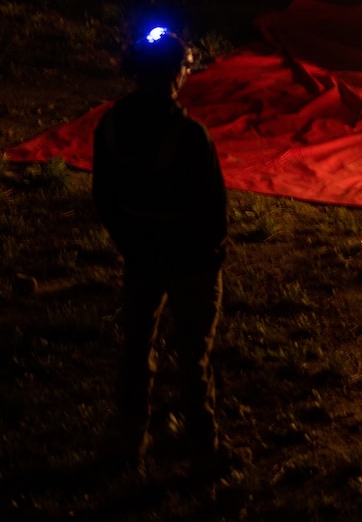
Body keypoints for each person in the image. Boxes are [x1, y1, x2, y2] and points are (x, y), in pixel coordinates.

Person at [93, 26, 229, 475]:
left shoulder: (110, 126)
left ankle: (130, 446)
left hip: (141, 257)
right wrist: (211, 256)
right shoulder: (191, 137)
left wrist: (131, 240)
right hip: (190, 262)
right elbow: (213, 211)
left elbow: (104, 199)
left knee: (137, 350)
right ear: (176, 75)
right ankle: (203, 451)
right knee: (194, 357)